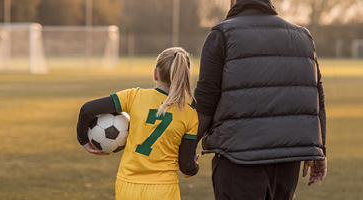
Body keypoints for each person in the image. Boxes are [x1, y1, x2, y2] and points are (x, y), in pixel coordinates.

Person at [192, 0, 327, 199]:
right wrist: (319, 149)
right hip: (287, 161)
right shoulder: (303, 36)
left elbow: (205, 100)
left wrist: (187, 146)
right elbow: (317, 100)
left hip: (237, 158)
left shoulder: (222, 34)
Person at [77, 47, 200, 200]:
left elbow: (87, 110)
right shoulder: (190, 113)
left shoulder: (134, 96)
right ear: (184, 77)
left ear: (155, 73)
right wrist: (194, 167)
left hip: (127, 186)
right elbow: (186, 167)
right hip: (164, 189)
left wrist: (84, 141)